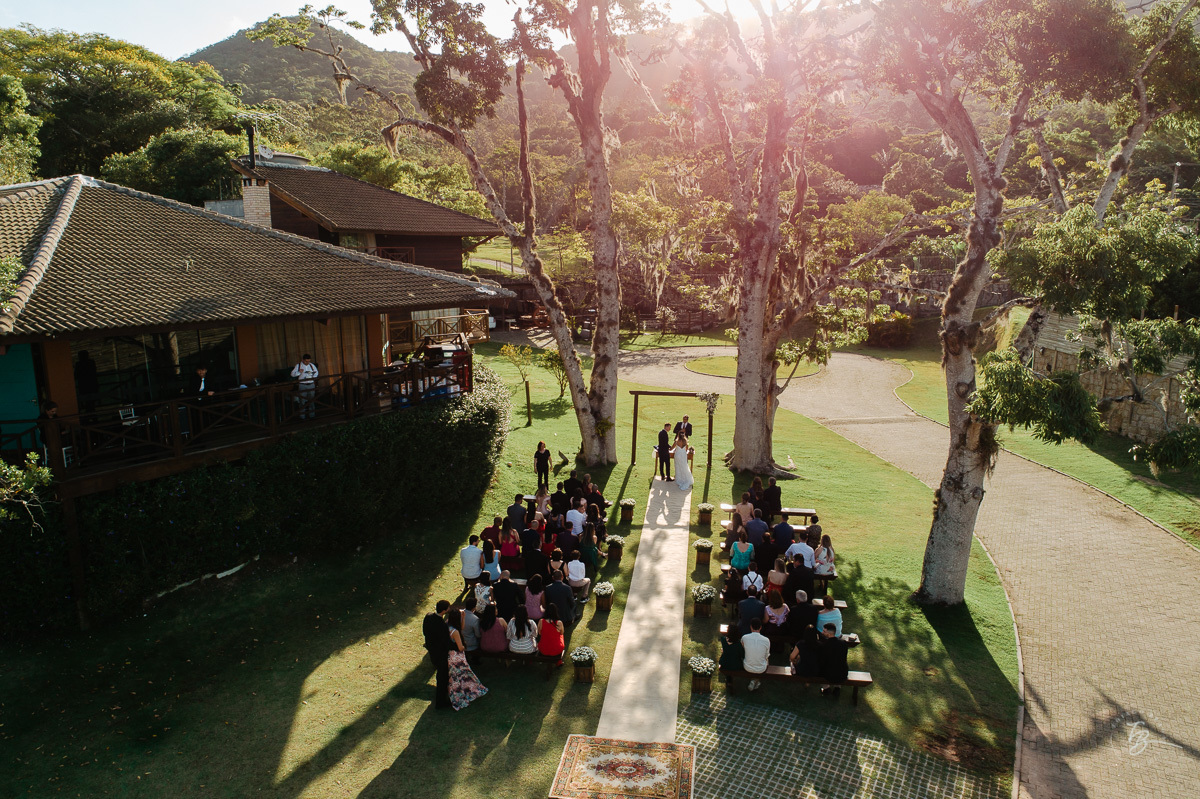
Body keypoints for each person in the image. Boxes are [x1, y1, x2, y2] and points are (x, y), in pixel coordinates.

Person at [445, 609, 489, 710]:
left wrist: (463, 616)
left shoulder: (447, 626)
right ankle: (465, 691)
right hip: (457, 656)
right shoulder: (455, 632)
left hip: (450, 655)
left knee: (457, 675)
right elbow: (460, 647)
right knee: (463, 673)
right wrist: (465, 647)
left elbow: (462, 627)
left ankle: (463, 689)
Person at [422, 600, 453, 708]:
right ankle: (441, 702)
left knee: (438, 670)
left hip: (431, 649)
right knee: (442, 677)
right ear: (444, 610)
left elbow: (425, 631)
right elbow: (446, 642)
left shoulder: (428, 616)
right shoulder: (442, 625)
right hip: (440, 653)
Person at [817, 622, 855, 695]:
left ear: (829, 633)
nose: (822, 632)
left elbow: (822, 661)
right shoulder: (843, 643)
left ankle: (826, 688)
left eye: (824, 631)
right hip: (842, 673)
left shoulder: (824, 645)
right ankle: (837, 687)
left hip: (829, 674)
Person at [742, 618, 771, 691]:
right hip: (761, 668)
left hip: (747, 666)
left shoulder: (744, 638)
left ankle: (754, 680)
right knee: (766, 659)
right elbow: (766, 656)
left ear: (750, 627)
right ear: (760, 627)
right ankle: (756, 680)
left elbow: (743, 651)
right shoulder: (766, 640)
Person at [291, 354, 319, 419]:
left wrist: (313, 376)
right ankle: (302, 416)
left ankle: (312, 415)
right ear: (303, 360)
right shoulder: (298, 366)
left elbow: (316, 372)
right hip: (302, 385)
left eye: (309, 361)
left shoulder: (312, 365)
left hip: (311, 384)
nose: (307, 362)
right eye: (306, 361)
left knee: (311, 400)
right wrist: (299, 372)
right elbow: (292, 374)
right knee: (302, 401)